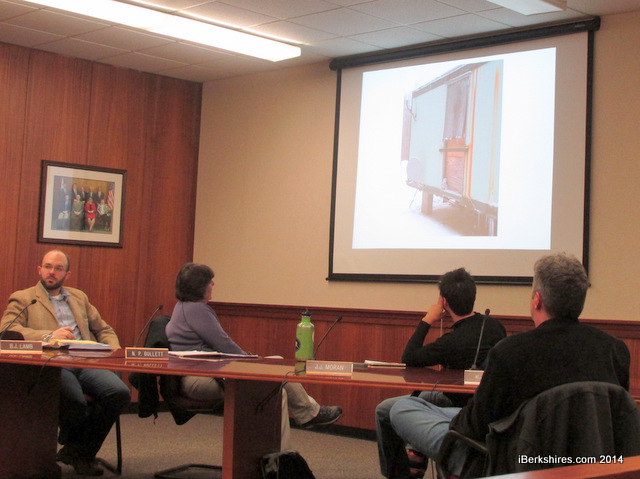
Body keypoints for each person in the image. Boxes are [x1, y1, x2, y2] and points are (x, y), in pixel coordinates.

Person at [389, 254, 631, 476]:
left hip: (511, 461)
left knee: (401, 409)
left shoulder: (511, 351)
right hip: (593, 463)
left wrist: (453, 420)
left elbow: (474, 425)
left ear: (537, 300)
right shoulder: (615, 350)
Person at [165, 263, 343, 450]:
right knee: (274, 391)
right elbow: (224, 344)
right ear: (199, 286)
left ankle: (306, 415)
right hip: (199, 380)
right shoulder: (197, 310)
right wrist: (252, 362)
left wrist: (252, 360)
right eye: (210, 281)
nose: (213, 284)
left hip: (204, 374)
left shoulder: (182, 307)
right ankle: (300, 426)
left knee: (277, 363)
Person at [0, 250, 131, 476]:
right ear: (39, 270)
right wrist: (49, 335)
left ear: (67, 274)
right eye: (48, 266)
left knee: (119, 393)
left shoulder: (79, 297)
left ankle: (75, 451)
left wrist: (113, 353)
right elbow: (7, 330)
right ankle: (81, 454)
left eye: (58, 268)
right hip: (54, 364)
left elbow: (104, 329)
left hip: (87, 361)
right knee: (74, 401)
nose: (52, 272)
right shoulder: (24, 298)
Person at [376, 268, 506, 479]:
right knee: (405, 403)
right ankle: (414, 456)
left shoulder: (451, 343)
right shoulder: (493, 326)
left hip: (456, 404)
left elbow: (409, 357)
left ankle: (398, 473)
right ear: (473, 297)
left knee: (385, 411)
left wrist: (427, 320)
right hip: (486, 405)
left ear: (444, 302)